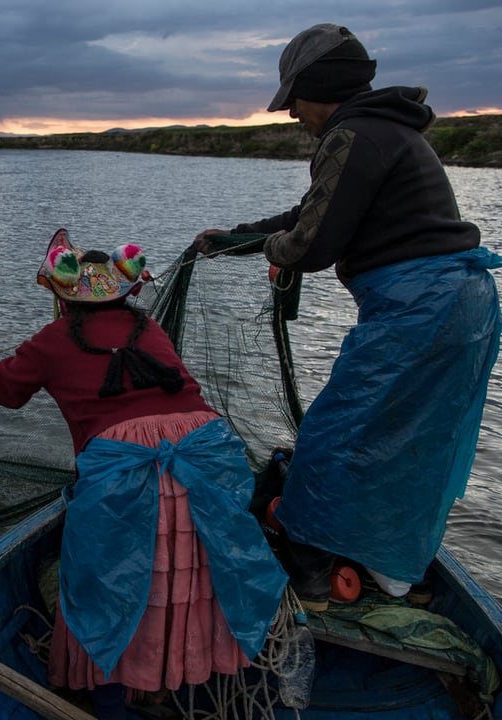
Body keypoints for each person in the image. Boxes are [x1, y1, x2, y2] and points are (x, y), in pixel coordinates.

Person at [194, 23, 502, 608]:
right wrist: (237, 237)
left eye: (294, 101)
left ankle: (309, 572)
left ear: (320, 85)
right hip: (464, 305)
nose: (291, 115)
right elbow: (310, 212)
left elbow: (310, 246)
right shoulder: (387, 130)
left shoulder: (351, 135)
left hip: (420, 308)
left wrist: (271, 251)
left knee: (335, 436)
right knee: (410, 444)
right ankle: (397, 573)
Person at [0, 229, 286, 719]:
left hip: (127, 465)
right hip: (205, 452)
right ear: (124, 292)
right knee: (188, 570)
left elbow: (2, 391)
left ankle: (110, 696)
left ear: (63, 297)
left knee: (103, 578)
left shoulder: (52, 340)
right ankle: (161, 681)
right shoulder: (148, 329)